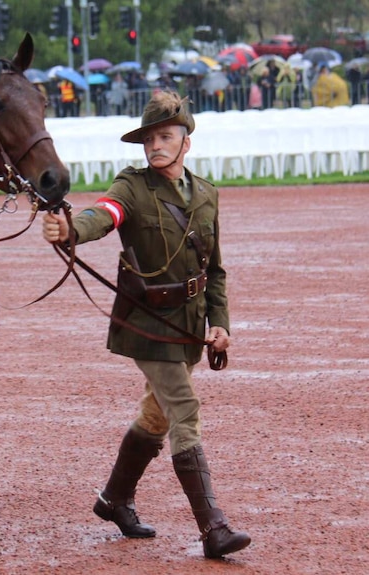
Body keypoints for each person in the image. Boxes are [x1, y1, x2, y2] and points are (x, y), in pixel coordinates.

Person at [41, 91, 251, 560]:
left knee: (156, 414)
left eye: (164, 137)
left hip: (190, 325)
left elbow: (213, 270)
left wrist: (220, 323)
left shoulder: (206, 195)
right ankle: (213, 528)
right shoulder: (134, 186)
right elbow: (105, 214)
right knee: (184, 406)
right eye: (149, 138)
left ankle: (114, 499)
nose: (155, 145)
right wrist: (71, 228)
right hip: (146, 323)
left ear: (185, 142)